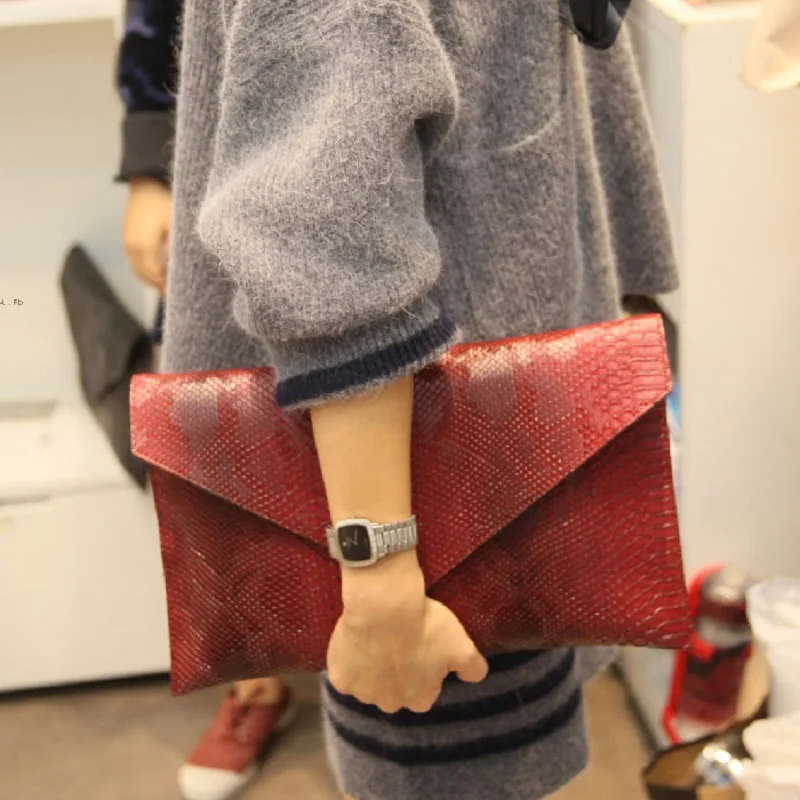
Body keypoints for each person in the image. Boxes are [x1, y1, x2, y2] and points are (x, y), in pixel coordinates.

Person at [161, 2, 679, 800]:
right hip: (434, 483)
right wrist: (380, 576)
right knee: (453, 776)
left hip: (491, 425)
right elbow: (323, 235)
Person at [115, 3, 295, 799]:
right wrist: (148, 166)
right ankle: (253, 671)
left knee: (413, 393)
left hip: (412, 121)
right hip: (223, 129)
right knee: (222, 422)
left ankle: (396, 673)